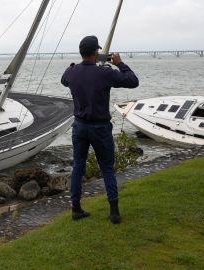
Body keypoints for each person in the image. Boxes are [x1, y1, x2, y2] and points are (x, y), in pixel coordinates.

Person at [61, 35, 139, 224]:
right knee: (107, 169)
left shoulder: (71, 71)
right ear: (96, 52)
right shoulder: (105, 73)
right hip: (100, 127)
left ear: (81, 52)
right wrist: (119, 64)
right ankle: (114, 212)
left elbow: (65, 80)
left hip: (79, 126)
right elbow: (133, 81)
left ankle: (76, 208)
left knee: (78, 166)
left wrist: (93, 64)